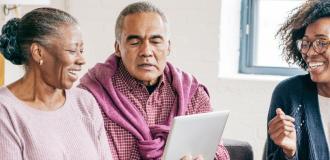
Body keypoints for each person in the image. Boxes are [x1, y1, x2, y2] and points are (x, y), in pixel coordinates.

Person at [79, 1, 229, 160]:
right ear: (118, 47)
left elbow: (220, 152)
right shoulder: (90, 97)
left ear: (168, 46)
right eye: (135, 42)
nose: (146, 51)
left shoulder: (194, 94)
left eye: (156, 41)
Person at [0, 8, 112, 160]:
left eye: (82, 50)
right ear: (38, 52)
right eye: (72, 50)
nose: (81, 60)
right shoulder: (5, 109)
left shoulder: (85, 102)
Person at [267, 0, 330, 159]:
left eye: (321, 42)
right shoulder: (289, 93)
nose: (309, 52)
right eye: (306, 43)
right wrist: (289, 153)